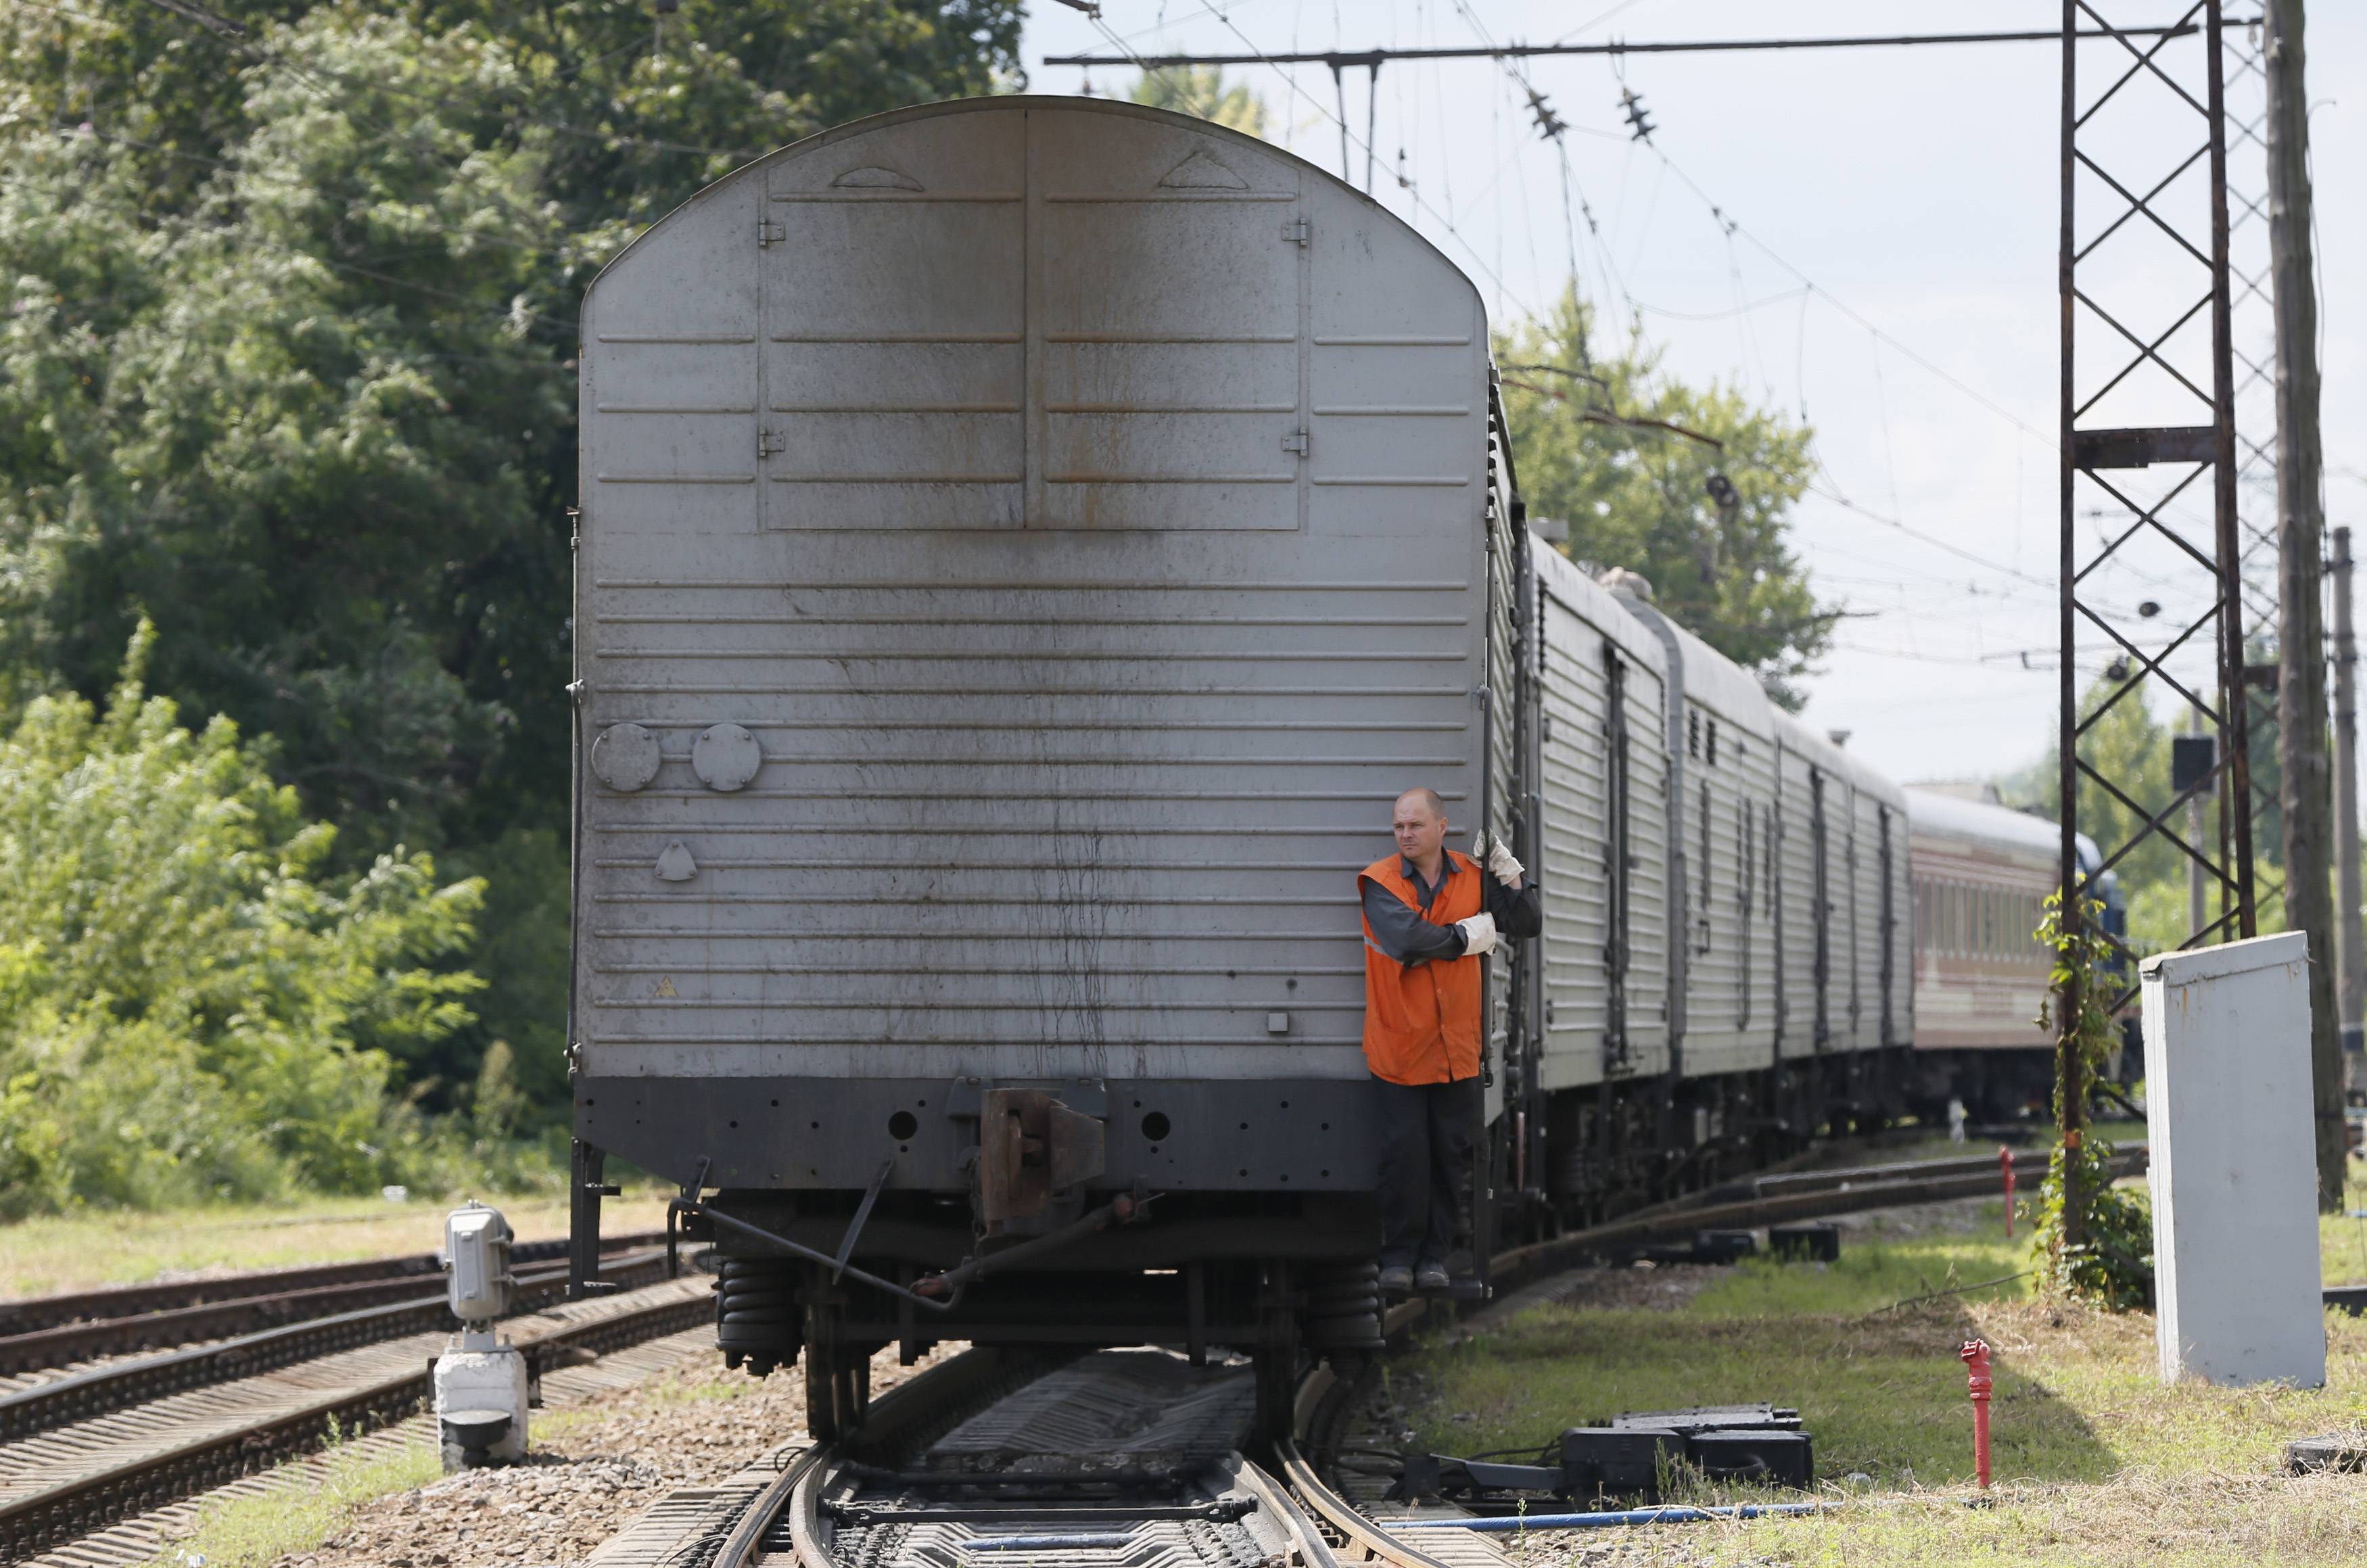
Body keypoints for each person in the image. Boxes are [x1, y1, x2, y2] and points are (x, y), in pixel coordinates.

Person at [1357, 786, 1542, 1294]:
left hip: (1455, 1049)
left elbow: (1527, 922)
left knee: (1448, 1155)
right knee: (1404, 1155)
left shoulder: (1473, 876)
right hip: (1400, 1048)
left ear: (1441, 827)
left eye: (1414, 826)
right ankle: (1398, 1256)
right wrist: (1466, 938)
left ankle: (1434, 1256)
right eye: (1398, 827)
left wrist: (1512, 874)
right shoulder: (1381, 881)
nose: (1405, 835)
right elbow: (1408, 940)